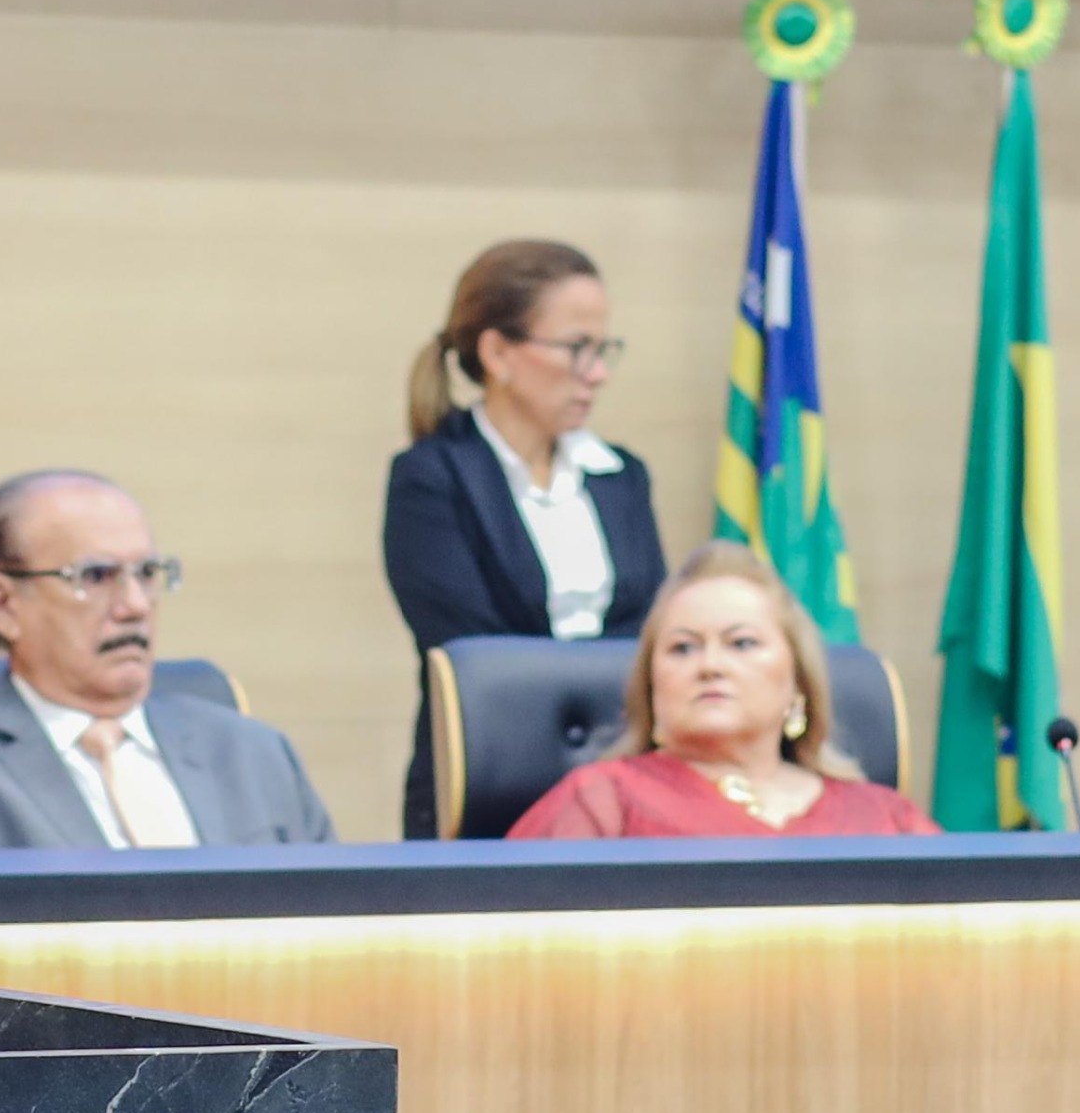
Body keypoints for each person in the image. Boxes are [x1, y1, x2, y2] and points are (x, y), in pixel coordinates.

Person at [0, 470, 338, 849]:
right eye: (98, 576)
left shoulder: (256, 754)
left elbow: (341, 932)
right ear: (3, 604)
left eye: (147, 573)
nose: (136, 605)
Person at [383, 239, 665, 835]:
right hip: (487, 778)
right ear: (498, 353)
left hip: (625, 779)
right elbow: (473, 653)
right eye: (577, 349)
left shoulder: (621, 476)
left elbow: (652, 630)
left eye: (604, 348)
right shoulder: (432, 479)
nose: (599, 372)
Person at [510, 544, 932, 840]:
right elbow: (510, 947)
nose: (710, 666)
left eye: (742, 643)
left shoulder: (885, 817)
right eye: (683, 648)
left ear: (798, 681)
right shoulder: (602, 801)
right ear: (652, 686)